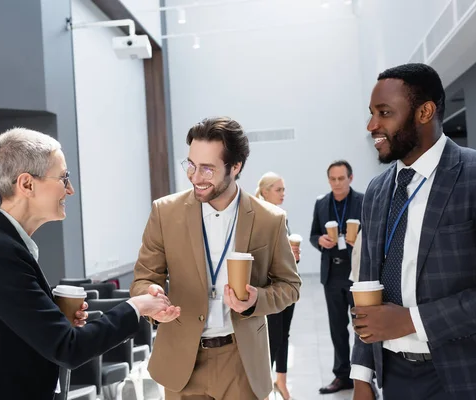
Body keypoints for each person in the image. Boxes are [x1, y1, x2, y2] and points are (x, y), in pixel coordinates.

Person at [0, 128, 176, 400]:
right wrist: (136, 306)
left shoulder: (1, 245)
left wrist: (54, 317)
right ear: (27, 184)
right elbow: (69, 349)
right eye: (63, 178)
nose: (70, 189)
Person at [351, 63, 476, 400]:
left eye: (385, 113)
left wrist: (412, 321)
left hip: (466, 377)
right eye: (371, 113)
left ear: (424, 112)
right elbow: (367, 289)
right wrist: (362, 374)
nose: (372, 125)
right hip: (392, 377)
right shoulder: (377, 191)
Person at [130, 117, 302, 400]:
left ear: (236, 167)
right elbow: (144, 277)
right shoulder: (165, 212)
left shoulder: (269, 220)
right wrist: (151, 297)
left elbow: (290, 286)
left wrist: (256, 300)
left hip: (241, 362)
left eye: (207, 169)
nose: (195, 177)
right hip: (181, 362)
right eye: (191, 165)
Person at [309, 160, 364, 394]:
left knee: (362, 326)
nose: (337, 183)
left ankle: (364, 376)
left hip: (357, 274)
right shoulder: (322, 204)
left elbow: (373, 233)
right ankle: (342, 376)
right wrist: (320, 241)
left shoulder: (362, 201)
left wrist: (359, 240)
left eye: (341, 178)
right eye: (333, 179)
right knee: (337, 328)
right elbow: (313, 235)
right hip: (332, 273)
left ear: (350, 178)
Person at [256, 172, 299, 400]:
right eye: (278, 189)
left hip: (286, 285)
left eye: (284, 189)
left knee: (284, 334)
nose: (283, 194)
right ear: (265, 191)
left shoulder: (281, 216)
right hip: (270, 288)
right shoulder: (259, 217)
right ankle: (262, 388)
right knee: (272, 337)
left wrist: (293, 257)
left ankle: (280, 381)